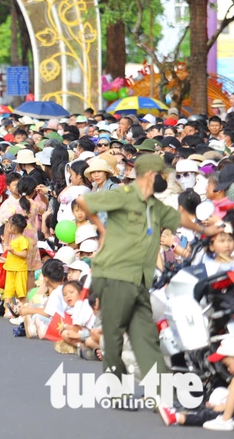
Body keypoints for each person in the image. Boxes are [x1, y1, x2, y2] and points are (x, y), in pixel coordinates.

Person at [75, 153, 219, 386]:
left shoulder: (155, 205)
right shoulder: (124, 196)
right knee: (113, 338)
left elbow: (180, 221)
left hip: (139, 280)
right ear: (151, 175)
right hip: (114, 275)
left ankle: (162, 393)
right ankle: (116, 387)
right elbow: (84, 202)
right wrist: (103, 230)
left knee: (146, 338)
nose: (165, 179)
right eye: (162, 175)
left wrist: (207, 232)